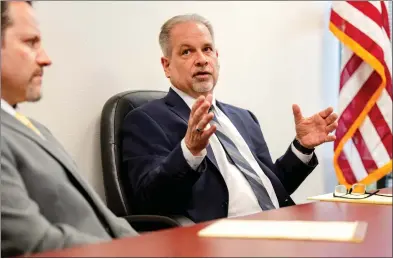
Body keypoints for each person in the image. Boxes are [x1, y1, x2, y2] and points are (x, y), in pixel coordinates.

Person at [121, 14, 338, 223]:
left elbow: (273, 188)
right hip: (218, 239)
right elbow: (149, 199)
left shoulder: (243, 118)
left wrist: (302, 148)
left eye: (207, 49)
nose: (201, 60)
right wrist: (189, 152)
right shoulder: (145, 120)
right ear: (166, 65)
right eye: (187, 52)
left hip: (280, 224)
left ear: (217, 56)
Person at [0, 1, 138, 257]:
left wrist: (152, 249)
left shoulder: (35, 128)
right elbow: (29, 241)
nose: (45, 58)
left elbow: (107, 220)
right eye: (31, 43)